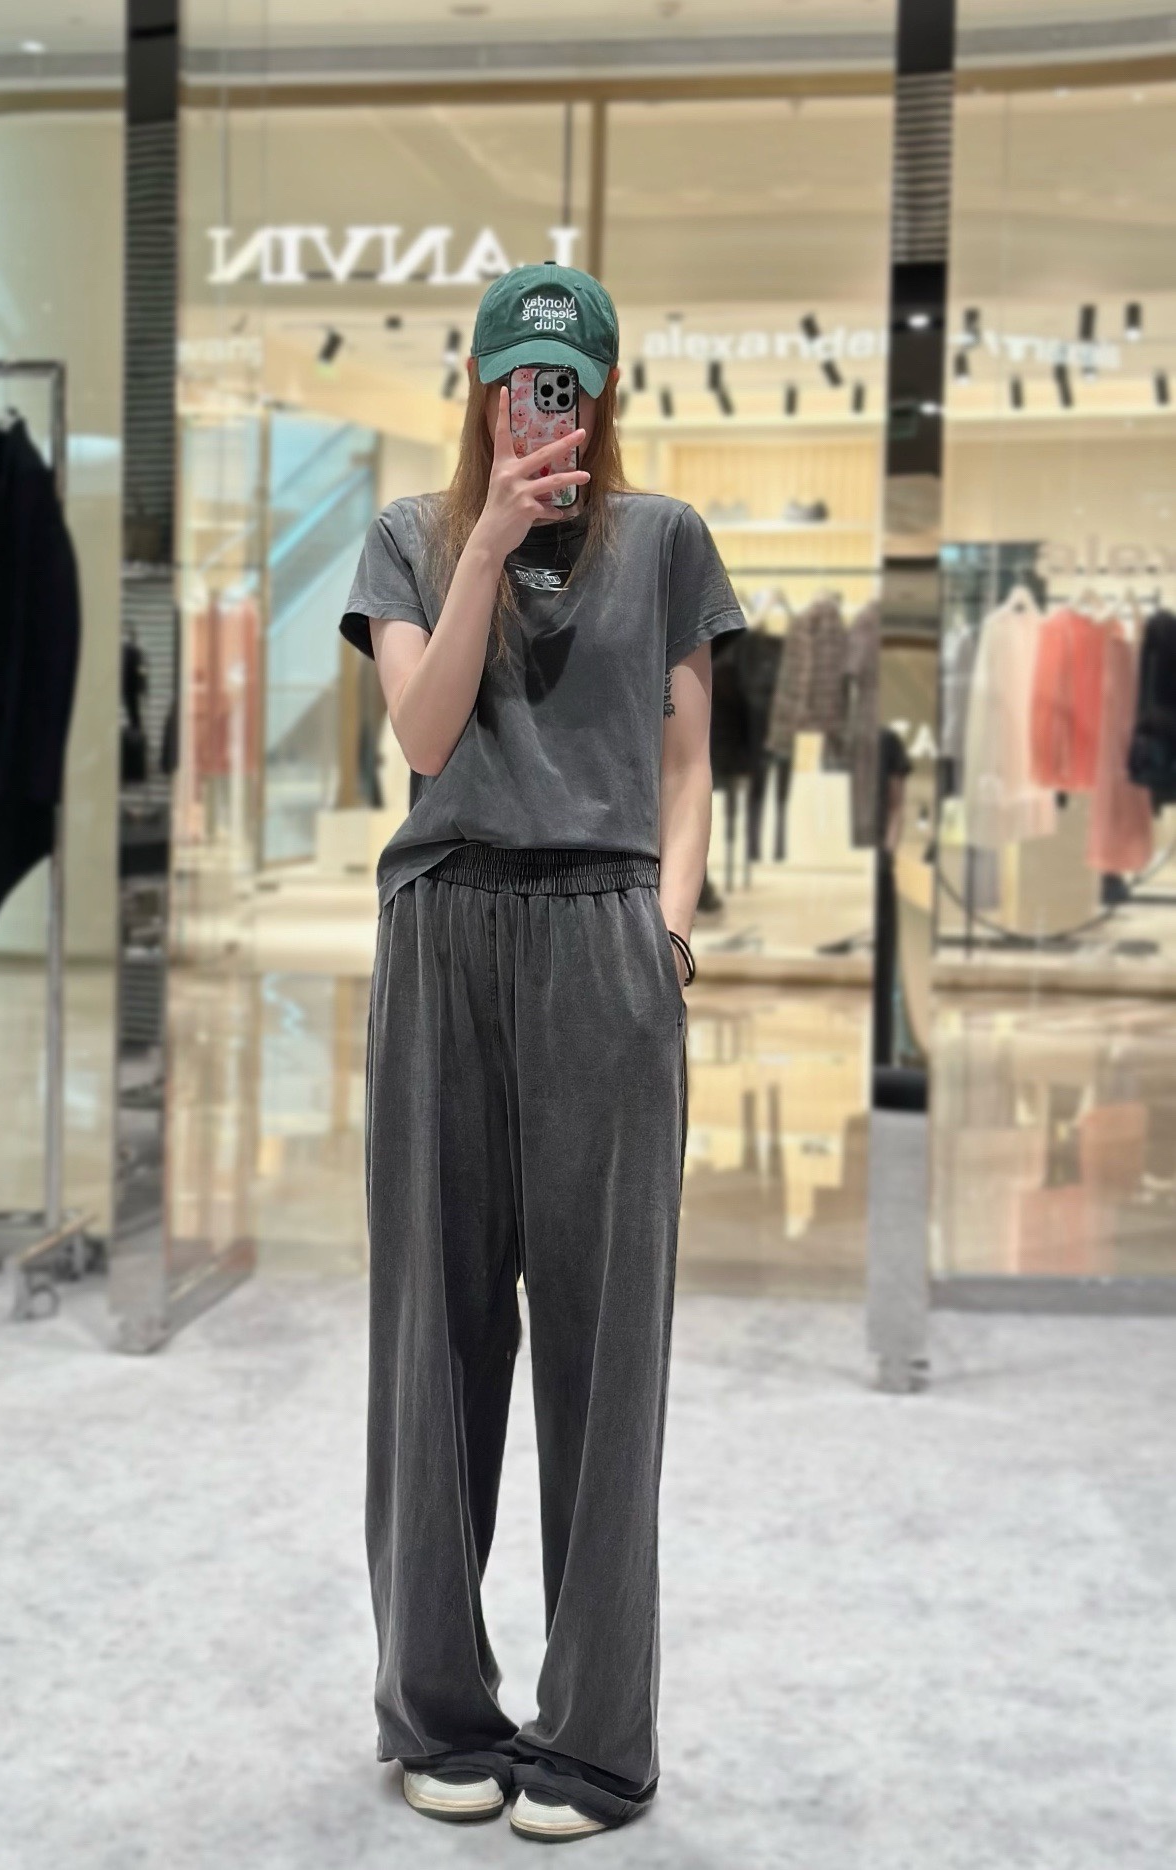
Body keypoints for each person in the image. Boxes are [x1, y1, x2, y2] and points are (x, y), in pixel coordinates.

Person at [339, 261, 746, 1842]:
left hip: (606, 942)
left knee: (605, 1350)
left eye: (564, 381)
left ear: (604, 391)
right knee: (432, 1336)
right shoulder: (410, 537)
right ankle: (437, 1706)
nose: (539, 405)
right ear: (482, 383)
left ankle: (596, 1735)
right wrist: (491, 542)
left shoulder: (669, 542)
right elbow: (425, 734)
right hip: (444, 933)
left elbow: (691, 765)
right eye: (518, 377)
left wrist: (670, 938)